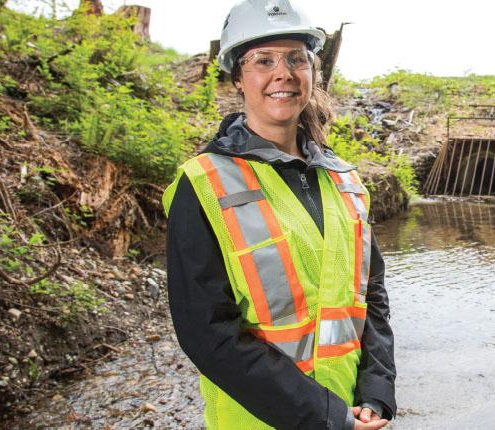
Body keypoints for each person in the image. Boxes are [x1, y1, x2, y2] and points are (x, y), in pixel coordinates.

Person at [162, 1, 396, 428]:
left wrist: (377, 392)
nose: (283, 73)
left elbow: (372, 298)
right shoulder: (201, 185)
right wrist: (323, 415)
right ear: (238, 77)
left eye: (296, 59)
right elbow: (206, 332)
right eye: (263, 60)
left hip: (347, 416)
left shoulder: (346, 182)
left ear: (312, 72)